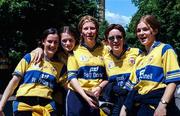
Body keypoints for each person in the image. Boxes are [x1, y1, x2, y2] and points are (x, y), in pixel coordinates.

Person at [120, 15, 180, 116]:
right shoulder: (140, 57)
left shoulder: (165, 49)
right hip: (138, 106)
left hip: (156, 105)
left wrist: (162, 105)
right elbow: (132, 88)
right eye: (138, 30)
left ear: (155, 31)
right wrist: (123, 110)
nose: (141, 33)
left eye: (145, 29)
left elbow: (173, 81)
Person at [0, 28, 66, 116]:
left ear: (59, 44)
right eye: (49, 41)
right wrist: (1, 106)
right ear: (43, 41)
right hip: (23, 106)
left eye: (55, 42)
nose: (52, 45)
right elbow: (14, 82)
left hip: (47, 108)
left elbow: (69, 87)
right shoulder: (30, 57)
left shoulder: (60, 67)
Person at [66, 15, 108, 116]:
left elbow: (108, 76)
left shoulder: (105, 49)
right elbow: (72, 77)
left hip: (98, 96)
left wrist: (100, 87)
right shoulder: (75, 50)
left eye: (92, 28)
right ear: (81, 31)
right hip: (77, 95)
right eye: (86, 28)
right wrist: (85, 96)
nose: (89, 31)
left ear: (97, 30)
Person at [32, 26, 79, 115]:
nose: (67, 43)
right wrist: (39, 48)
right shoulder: (56, 54)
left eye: (70, 40)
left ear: (75, 39)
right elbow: (45, 50)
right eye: (64, 41)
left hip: (78, 90)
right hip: (58, 94)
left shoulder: (80, 52)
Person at [102, 24, 140, 116]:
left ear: (124, 39)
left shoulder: (137, 53)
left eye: (119, 37)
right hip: (115, 103)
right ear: (107, 41)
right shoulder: (105, 58)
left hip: (134, 101)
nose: (115, 41)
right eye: (111, 38)